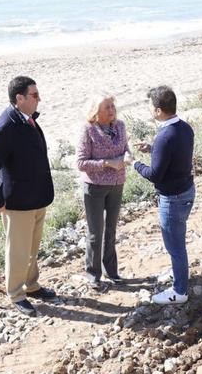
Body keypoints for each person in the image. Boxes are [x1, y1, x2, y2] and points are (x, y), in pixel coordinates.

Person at [0, 76, 57, 317]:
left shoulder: (27, 119)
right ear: (19, 98)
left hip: (36, 197)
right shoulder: (6, 125)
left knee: (32, 248)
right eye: (34, 95)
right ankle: (15, 293)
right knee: (18, 251)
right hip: (18, 202)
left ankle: (31, 285)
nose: (39, 99)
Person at [132, 86, 195, 305]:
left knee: (175, 245)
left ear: (158, 111)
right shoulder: (185, 128)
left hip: (173, 197)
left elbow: (155, 175)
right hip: (186, 191)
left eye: (150, 107)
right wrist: (153, 149)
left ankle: (179, 291)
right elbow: (175, 155)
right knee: (178, 241)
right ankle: (178, 273)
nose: (149, 110)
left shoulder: (164, 137)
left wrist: (134, 163)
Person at [76, 94, 131, 291]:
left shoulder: (120, 126)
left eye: (112, 105)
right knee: (95, 233)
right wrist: (107, 163)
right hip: (95, 187)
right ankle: (93, 274)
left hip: (117, 184)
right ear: (95, 112)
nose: (111, 109)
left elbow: (126, 149)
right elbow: (81, 163)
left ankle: (112, 272)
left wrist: (127, 157)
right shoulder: (88, 130)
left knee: (111, 230)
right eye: (106, 107)